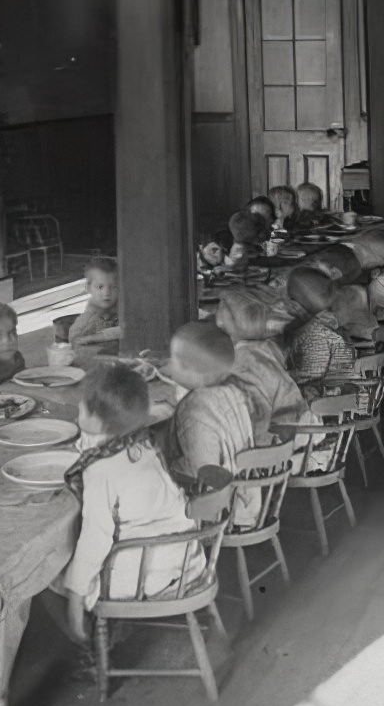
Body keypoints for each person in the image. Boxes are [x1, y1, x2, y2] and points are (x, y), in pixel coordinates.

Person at [60, 363, 204, 641]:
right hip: (185, 563)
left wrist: (75, 599)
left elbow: (95, 540)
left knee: (58, 572)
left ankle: (86, 645)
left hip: (141, 580)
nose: (77, 410)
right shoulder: (146, 445)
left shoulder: (100, 471)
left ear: (98, 423)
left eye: (81, 407)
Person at [161, 321, 255, 526]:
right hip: (246, 491)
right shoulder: (235, 392)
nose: (169, 364)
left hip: (214, 506)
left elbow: (200, 470)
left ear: (195, 373)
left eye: (176, 362)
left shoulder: (192, 407)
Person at [285, 267, 356, 390]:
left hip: (323, 397)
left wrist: (280, 375)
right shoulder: (323, 320)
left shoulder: (315, 338)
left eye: (286, 297)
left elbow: (311, 376)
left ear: (295, 306)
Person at [68, 258, 121, 347]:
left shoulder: (122, 306)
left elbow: (128, 330)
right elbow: (74, 337)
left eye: (114, 287)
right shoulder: (91, 313)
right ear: (88, 288)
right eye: (100, 287)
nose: (107, 293)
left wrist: (94, 337)